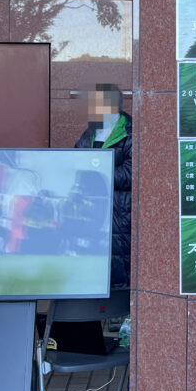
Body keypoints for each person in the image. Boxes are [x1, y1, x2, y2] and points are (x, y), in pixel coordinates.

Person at [74, 85, 132, 290]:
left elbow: (131, 174)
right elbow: (76, 162)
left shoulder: (130, 132)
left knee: (117, 267)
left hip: (119, 215)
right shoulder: (91, 131)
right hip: (89, 211)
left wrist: (97, 174)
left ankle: (117, 318)